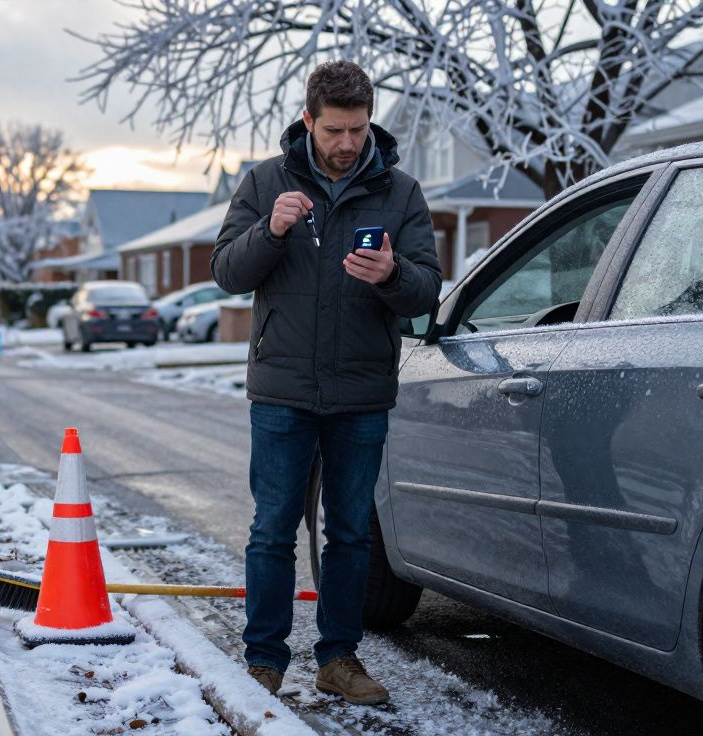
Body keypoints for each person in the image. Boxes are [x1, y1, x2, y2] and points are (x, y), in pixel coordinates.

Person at [211, 59, 442, 705]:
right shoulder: (265, 182)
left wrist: (392, 274)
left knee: (349, 532)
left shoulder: (400, 193)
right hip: (283, 390)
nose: (347, 143)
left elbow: (426, 289)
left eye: (358, 129)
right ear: (308, 120)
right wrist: (272, 228)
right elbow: (227, 272)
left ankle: (339, 659)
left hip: (360, 392)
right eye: (335, 129)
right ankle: (264, 661)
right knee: (272, 529)